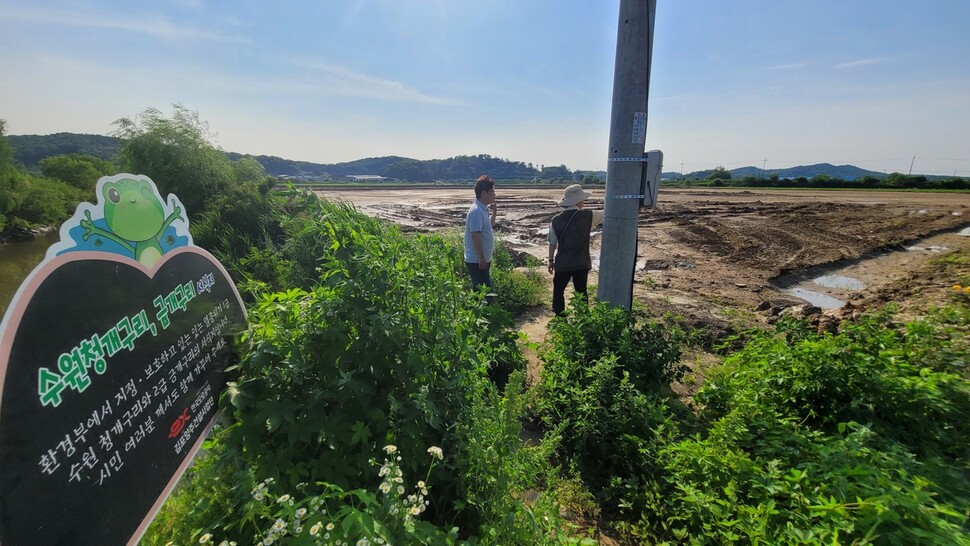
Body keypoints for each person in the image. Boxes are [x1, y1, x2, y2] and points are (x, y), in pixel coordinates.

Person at [547, 184, 603, 316]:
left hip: (563, 263)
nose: (583, 202)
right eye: (582, 200)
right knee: (581, 292)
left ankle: (560, 318)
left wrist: (550, 261)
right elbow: (607, 213)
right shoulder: (588, 216)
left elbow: (552, 243)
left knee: (558, 291)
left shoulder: (555, 220)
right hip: (581, 263)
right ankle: (583, 318)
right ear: (578, 201)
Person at [464, 175, 497, 299]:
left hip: (481, 260)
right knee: (484, 296)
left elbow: (489, 226)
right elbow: (475, 236)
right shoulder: (476, 211)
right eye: (492, 191)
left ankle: (485, 315)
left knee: (484, 293)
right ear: (483, 193)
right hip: (476, 261)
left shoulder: (483, 209)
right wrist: (481, 258)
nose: (494, 194)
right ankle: (482, 316)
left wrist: (494, 212)